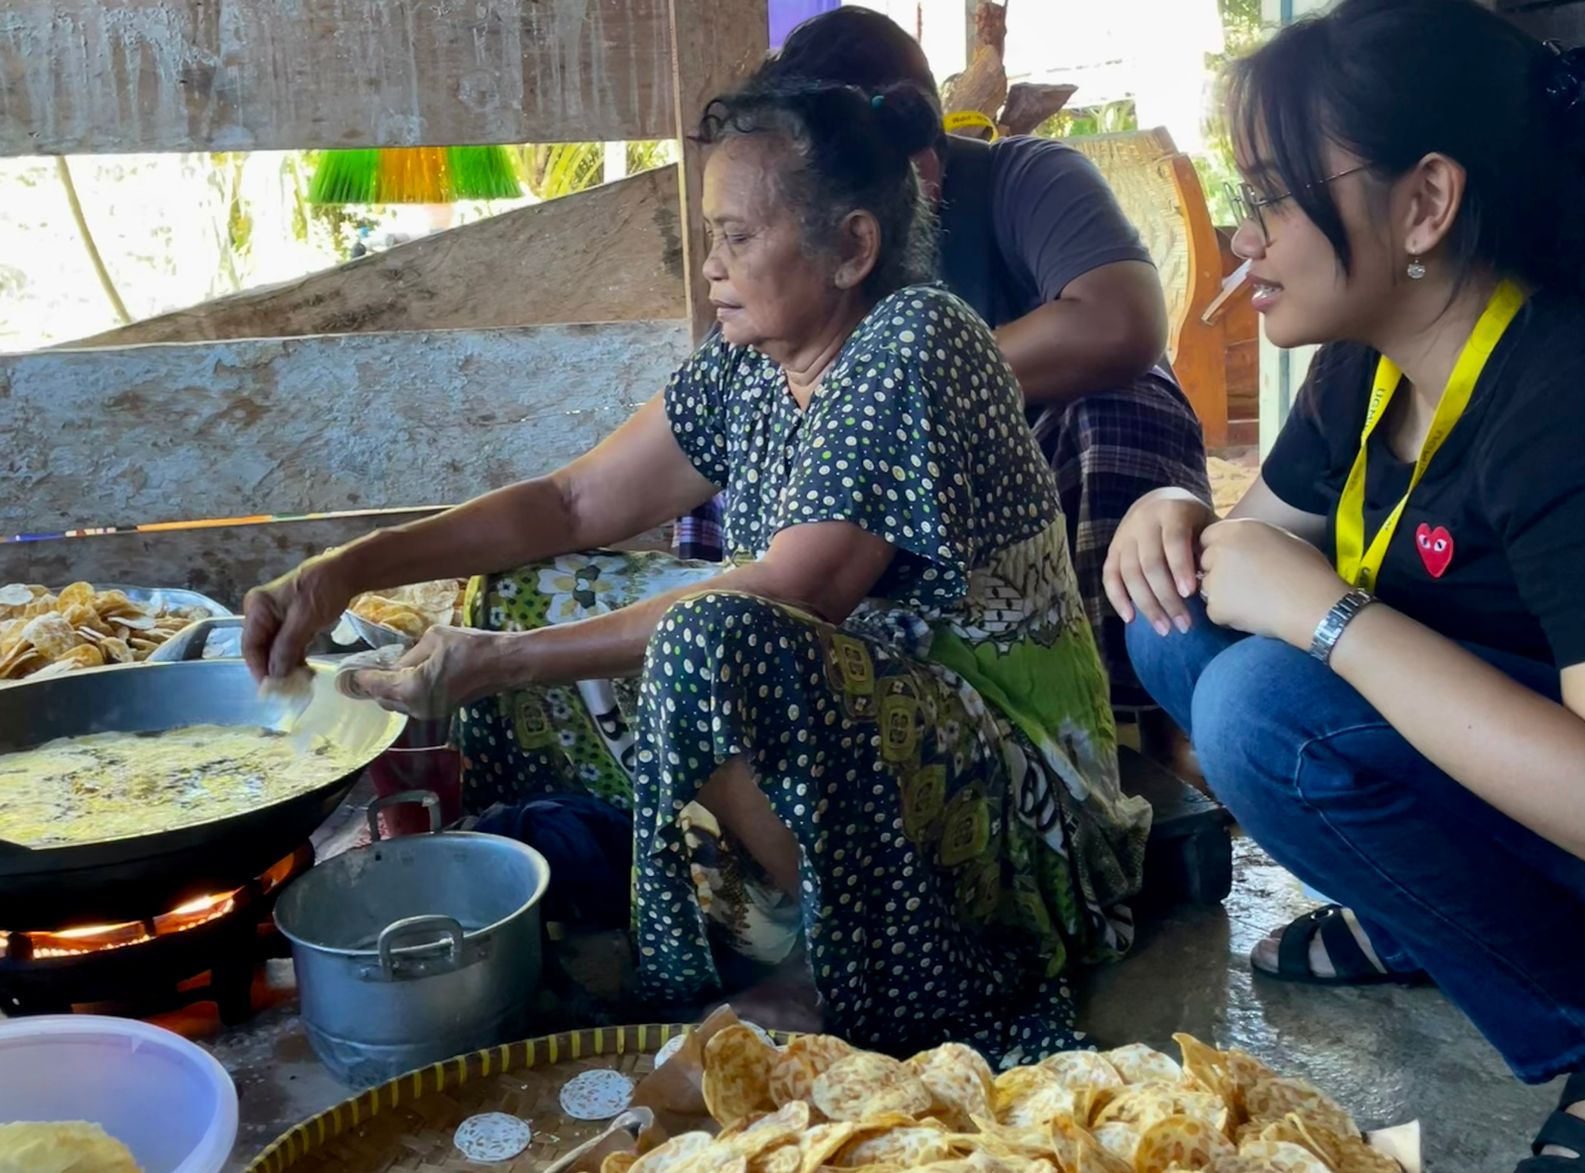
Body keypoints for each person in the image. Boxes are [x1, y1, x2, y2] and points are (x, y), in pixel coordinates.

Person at [245, 78, 1150, 1063]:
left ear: (852, 247)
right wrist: (346, 566)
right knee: (519, 586)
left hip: (1019, 815)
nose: (710, 267)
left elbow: (796, 591)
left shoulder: (917, 343)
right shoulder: (753, 360)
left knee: (710, 638)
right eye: (709, 237)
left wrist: (502, 661)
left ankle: (822, 961)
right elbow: (571, 502)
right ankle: (681, 887)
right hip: (861, 748)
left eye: (736, 237)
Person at [1103, 0, 1585, 1173]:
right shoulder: (1371, 359)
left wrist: (1324, 615)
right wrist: (1171, 505)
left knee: (1261, 710)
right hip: (1491, 769)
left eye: (1270, 198)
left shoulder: (1563, 393)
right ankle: (1434, 910)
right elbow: (1249, 541)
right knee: (1173, 627)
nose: (1240, 238)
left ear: (1424, 205)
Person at [672, 5, 1211, 709]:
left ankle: (1136, 704)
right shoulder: (777, 288)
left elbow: (1121, 324)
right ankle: (737, 689)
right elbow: (581, 500)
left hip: (1025, 508)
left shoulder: (1024, 179)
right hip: (862, 516)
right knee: (738, 426)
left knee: (1125, 405)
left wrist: (906, 386)